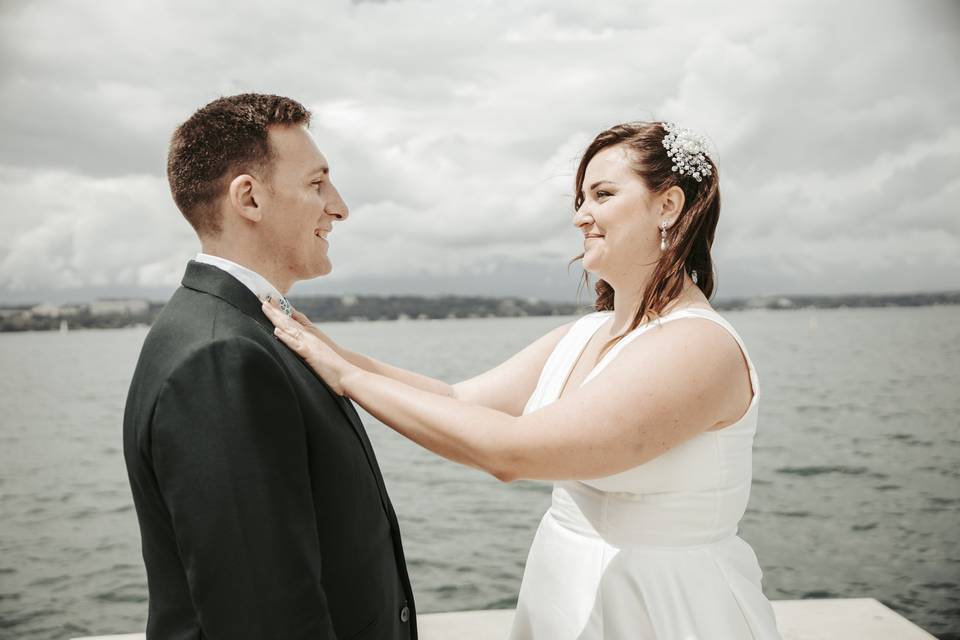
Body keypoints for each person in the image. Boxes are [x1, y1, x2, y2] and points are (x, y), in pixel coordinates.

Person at [263, 120, 783, 639]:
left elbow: (512, 451)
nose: (581, 217)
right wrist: (322, 347)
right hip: (563, 592)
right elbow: (456, 398)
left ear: (667, 206)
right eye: (580, 199)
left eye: (602, 195)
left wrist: (348, 378)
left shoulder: (696, 347)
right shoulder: (585, 333)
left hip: (664, 607)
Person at [123, 93, 416, 640]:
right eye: (316, 183)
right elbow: (262, 616)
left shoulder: (244, 329)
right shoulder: (221, 356)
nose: (340, 206)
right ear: (249, 199)